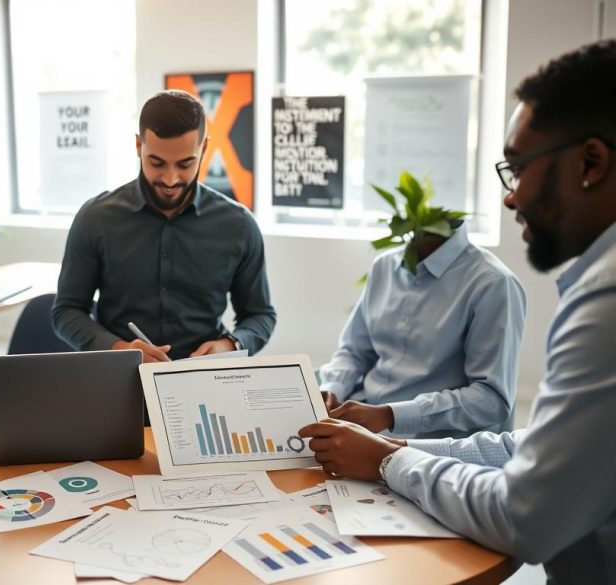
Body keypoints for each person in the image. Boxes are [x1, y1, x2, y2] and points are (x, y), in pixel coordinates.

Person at [299, 39, 616, 584]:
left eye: (518, 168)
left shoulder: (599, 302)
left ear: (591, 162)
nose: (511, 198)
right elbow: (525, 443)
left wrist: (388, 455)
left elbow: (523, 516)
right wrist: (392, 446)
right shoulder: (385, 268)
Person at [52, 90, 276, 362]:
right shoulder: (96, 218)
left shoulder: (239, 225)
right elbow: (66, 311)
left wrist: (229, 345)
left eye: (185, 164)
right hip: (120, 376)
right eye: (156, 163)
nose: (170, 179)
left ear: (204, 149)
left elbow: (260, 315)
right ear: (138, 146)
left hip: (205, 378)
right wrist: (120, 350)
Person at [317, 222, 526, 438]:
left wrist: (390, 415)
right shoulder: (385, 265)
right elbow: (354, 351)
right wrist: (333, 388)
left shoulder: (493, 283)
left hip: (430, 441)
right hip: (363, 417)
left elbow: (491, 400)